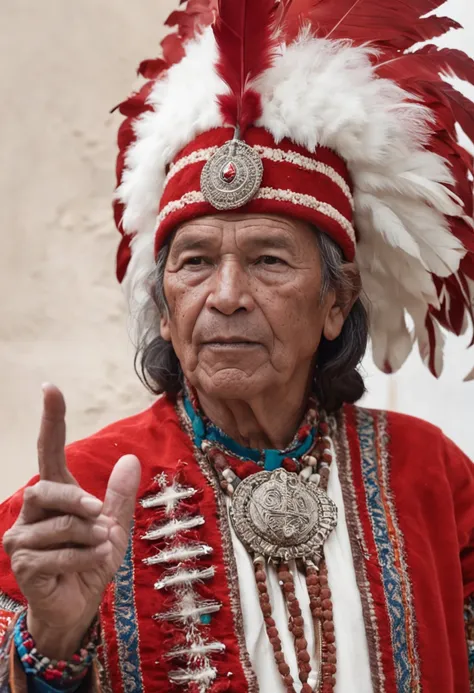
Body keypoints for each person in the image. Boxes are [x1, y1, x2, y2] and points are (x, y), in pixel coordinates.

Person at [0, 0, 473, 691]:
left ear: (336, 303)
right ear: (164, 310)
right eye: (193, 262)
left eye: (269, 261)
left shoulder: (431, 475)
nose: (225, 295)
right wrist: (54, 641)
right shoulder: (70, 503)